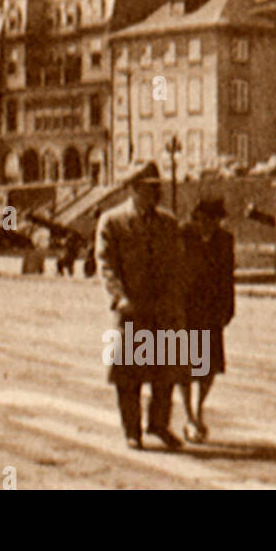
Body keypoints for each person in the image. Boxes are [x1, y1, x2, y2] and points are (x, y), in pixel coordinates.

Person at [95, 161, 187, 450]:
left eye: (156, 188)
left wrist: (176, 299)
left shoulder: (168, 223)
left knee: (167, 371)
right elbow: (106, 264)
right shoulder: (113, 221)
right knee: (128, 373)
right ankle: (132, 430)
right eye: (148, 189)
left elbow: (177, 264)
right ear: (132, 189)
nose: (155, 193)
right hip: (132, 307)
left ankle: (159, 424)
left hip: (162, 309)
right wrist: (119, 297)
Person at [178, 196, 235, 444]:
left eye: (215, 221)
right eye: (204, 220)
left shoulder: (224, 240)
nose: (210, 226)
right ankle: (189, 415)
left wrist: (229, 308)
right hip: (186, 309)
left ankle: (199, 408)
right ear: (196, 219)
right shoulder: (183, 236)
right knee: (184, 366)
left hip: (211, 310)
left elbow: (227, 276)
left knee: (209, 367)